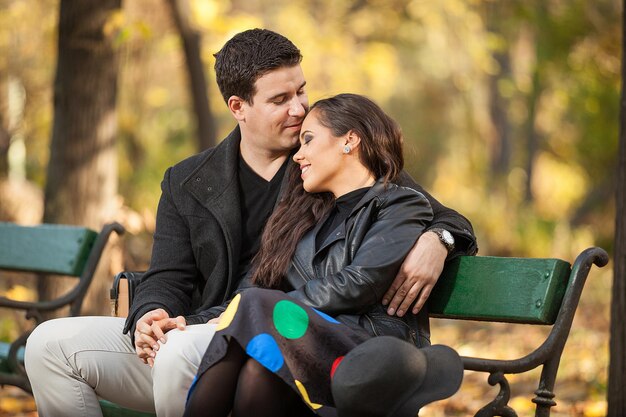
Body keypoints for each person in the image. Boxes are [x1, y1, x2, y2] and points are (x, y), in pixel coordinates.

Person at [24, 29, 476, 417]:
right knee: (50, 344)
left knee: (180, 351)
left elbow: (425, 208)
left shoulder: (326, 161)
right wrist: (150, 315)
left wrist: (437, 238)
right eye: (281, 99)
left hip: (276, 343)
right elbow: (168, 276)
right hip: (199, 329)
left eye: (301, 90)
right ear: (238, 106)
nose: (299, 108)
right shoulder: (186, 181)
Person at [183, 93, 464, 417]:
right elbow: (253, 286)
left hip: (367, 354)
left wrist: (267, 306)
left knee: (254, 308)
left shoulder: (400, 203)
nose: (298, 156)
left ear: (349, 141)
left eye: (308, 140)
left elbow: (362, 282)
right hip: (305, 348)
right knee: (259, 370)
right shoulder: (303, 219)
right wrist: (192, 321)